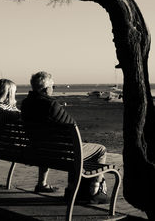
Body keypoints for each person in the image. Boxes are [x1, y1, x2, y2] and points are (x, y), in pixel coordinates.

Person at [21, 71, 109, 204]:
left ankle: (65, 187)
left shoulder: (26, 103)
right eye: (53, 87)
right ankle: (95, 190)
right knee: (100, 149)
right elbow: (72, 125)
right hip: (58, 152)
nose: (53, 90)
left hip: (38, 150)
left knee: (61, 147)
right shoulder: (51, 105)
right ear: (46, 89)